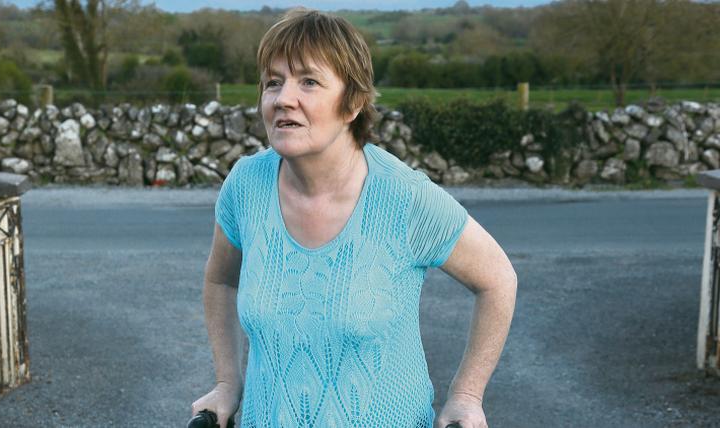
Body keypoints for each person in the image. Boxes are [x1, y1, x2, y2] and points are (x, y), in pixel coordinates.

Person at [191, 8, 517, 428]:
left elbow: (498, 279)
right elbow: (220, 280)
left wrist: (468, 395)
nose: (283, 98)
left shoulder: (403, 197)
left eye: (308, 81)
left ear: (353, 103)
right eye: (274, 82)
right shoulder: (245, 185)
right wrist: (227, 380)